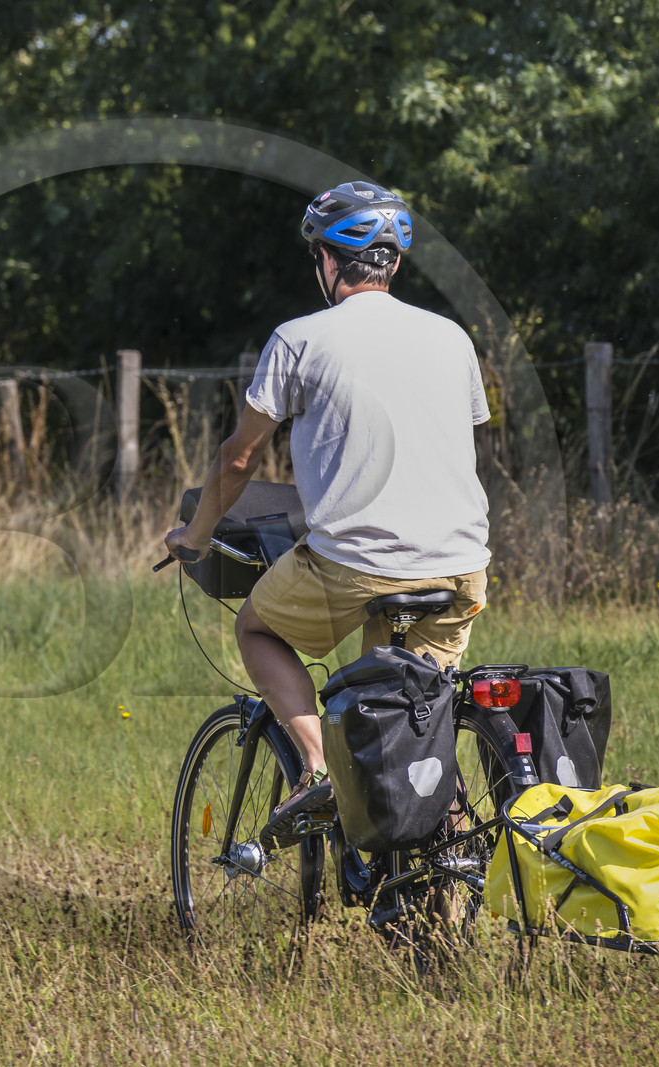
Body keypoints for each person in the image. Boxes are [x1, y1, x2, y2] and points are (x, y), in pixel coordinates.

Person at [162, 181, 493, 848]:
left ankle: (315, 767)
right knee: (417, 726)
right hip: (460, 570)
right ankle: (441, 903)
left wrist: (194, 538)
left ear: (329, 261)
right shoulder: (452, 337)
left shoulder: (299, 339)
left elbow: (237, 461)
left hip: (356, 565)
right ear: (393, 262)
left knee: (256, 625)